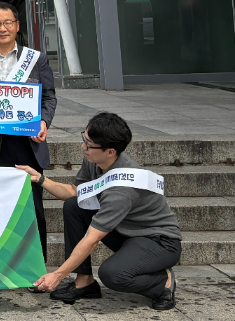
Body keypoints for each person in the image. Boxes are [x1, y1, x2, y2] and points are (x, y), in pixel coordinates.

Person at [27, 112, 180, 310]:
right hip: (126, 231)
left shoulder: (122, 189)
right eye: (85, 139)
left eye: (89, 145)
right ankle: (85, 282)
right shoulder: (95, 161)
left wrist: (57, 275)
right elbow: (76, 192)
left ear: (110, 151)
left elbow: (92, 240)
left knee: (113, 275)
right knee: (75, 206)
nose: (84, 147)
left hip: (159, 242)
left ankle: (162, 282)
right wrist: (40, 179)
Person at [0, 2, 57, 261]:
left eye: (7, 23)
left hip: (27, 144)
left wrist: (44, 122)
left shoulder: (35, 58)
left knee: (32, 209)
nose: (2, 28)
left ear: (17, 26)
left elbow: (49, 96)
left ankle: (35, 268)